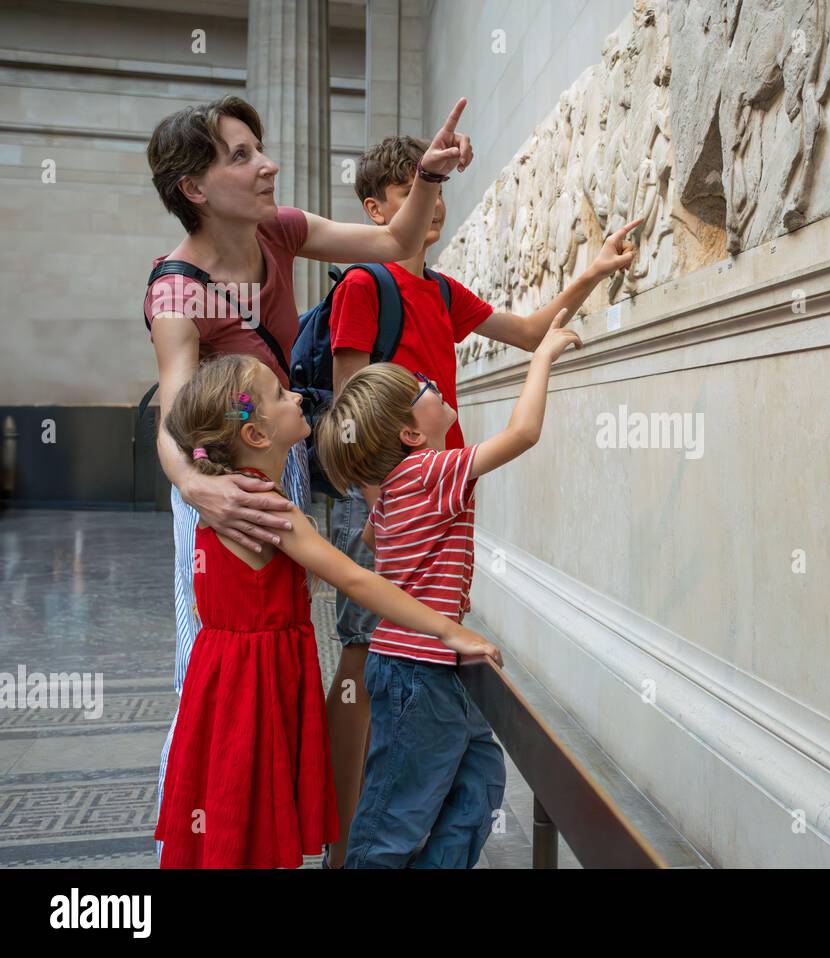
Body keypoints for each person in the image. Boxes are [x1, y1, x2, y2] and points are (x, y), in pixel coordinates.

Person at [143, 93, 476, 855]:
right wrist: (202, 488)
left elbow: (394, 239)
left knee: (285, 652)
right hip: (214, 474)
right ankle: (199, 835)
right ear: (194, 188)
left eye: (258, 148)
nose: (267, 165)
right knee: (209, 676)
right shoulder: (177, 290)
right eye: (241, 156)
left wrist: (425, 173)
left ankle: (274, 825)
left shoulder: (282, 233)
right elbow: (175, 422)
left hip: (282, 452)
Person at [320, 133, 642, 866]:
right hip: (394, 502)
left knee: (449, 735)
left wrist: (590, 272)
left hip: (429, 492)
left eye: (434, 192)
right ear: (377, 208)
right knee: (367, 665)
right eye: (413, 192)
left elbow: (529, 333)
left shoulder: (439, 289)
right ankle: (349, 848)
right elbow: (347, 414)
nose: (432, 208)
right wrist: (388, 507)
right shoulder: (366, 286)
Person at [154, 353, 500, 868]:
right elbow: (357, 580)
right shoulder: (273, 510)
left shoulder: (227, 505)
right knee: (251, 798)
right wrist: (449, 631)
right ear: (255, 436)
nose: (297, 396)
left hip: (222, 679)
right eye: (279, 395)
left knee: (231, 800)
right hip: (258, 684)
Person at [314, 309, 579, 868]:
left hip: (425, 669)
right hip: (419, 676)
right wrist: (542, 358)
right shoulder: (429, 471)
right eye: (423, 388)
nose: (434, 385)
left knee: (477, 785)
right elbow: (524, 433)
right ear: (412, 434)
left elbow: (373, 533)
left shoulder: (389, 489)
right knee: (397, 816)